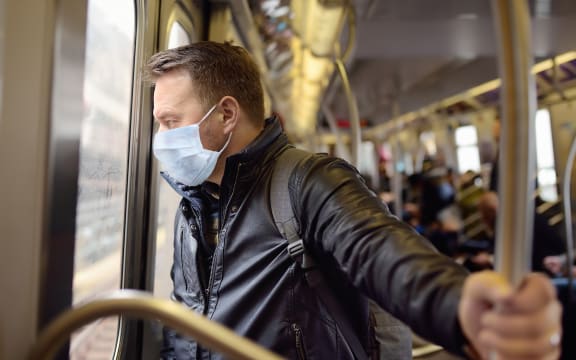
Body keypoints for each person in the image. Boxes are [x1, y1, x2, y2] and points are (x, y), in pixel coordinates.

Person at [146, 41, 562, 360]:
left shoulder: (307, 182)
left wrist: (459, 304)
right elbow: (186, 326)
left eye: (171, 123)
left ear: (226, 115)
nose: (162, 140)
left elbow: (379, 251)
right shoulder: (194, 206)